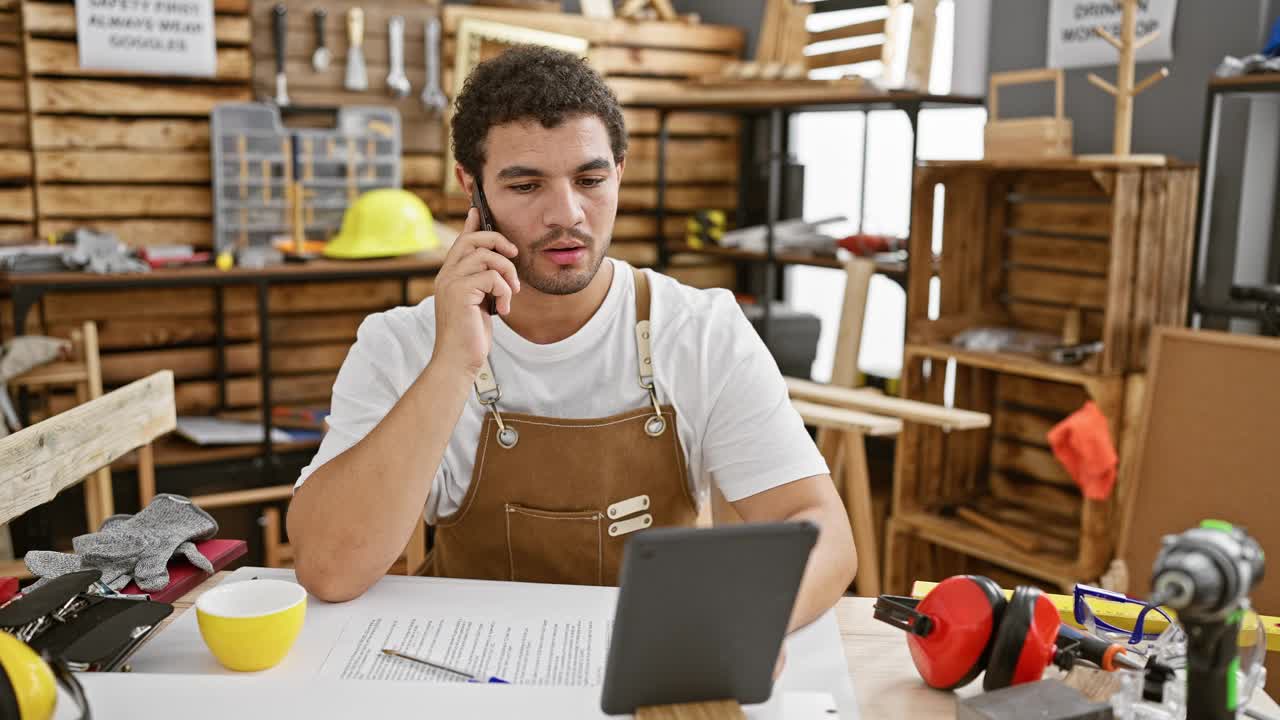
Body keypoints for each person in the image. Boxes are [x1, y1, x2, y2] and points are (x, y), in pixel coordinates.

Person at [287, 45, 856, 633]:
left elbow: (821, 531)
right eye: (526, 186)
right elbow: (330, 568)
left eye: (590, 179)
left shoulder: (701, 331)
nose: (568, 214)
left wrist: (751, 621)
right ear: (472, 188)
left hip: (652, 663)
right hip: (463, 675)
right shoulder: (400, 344)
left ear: (620, 174)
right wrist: (452, 363)